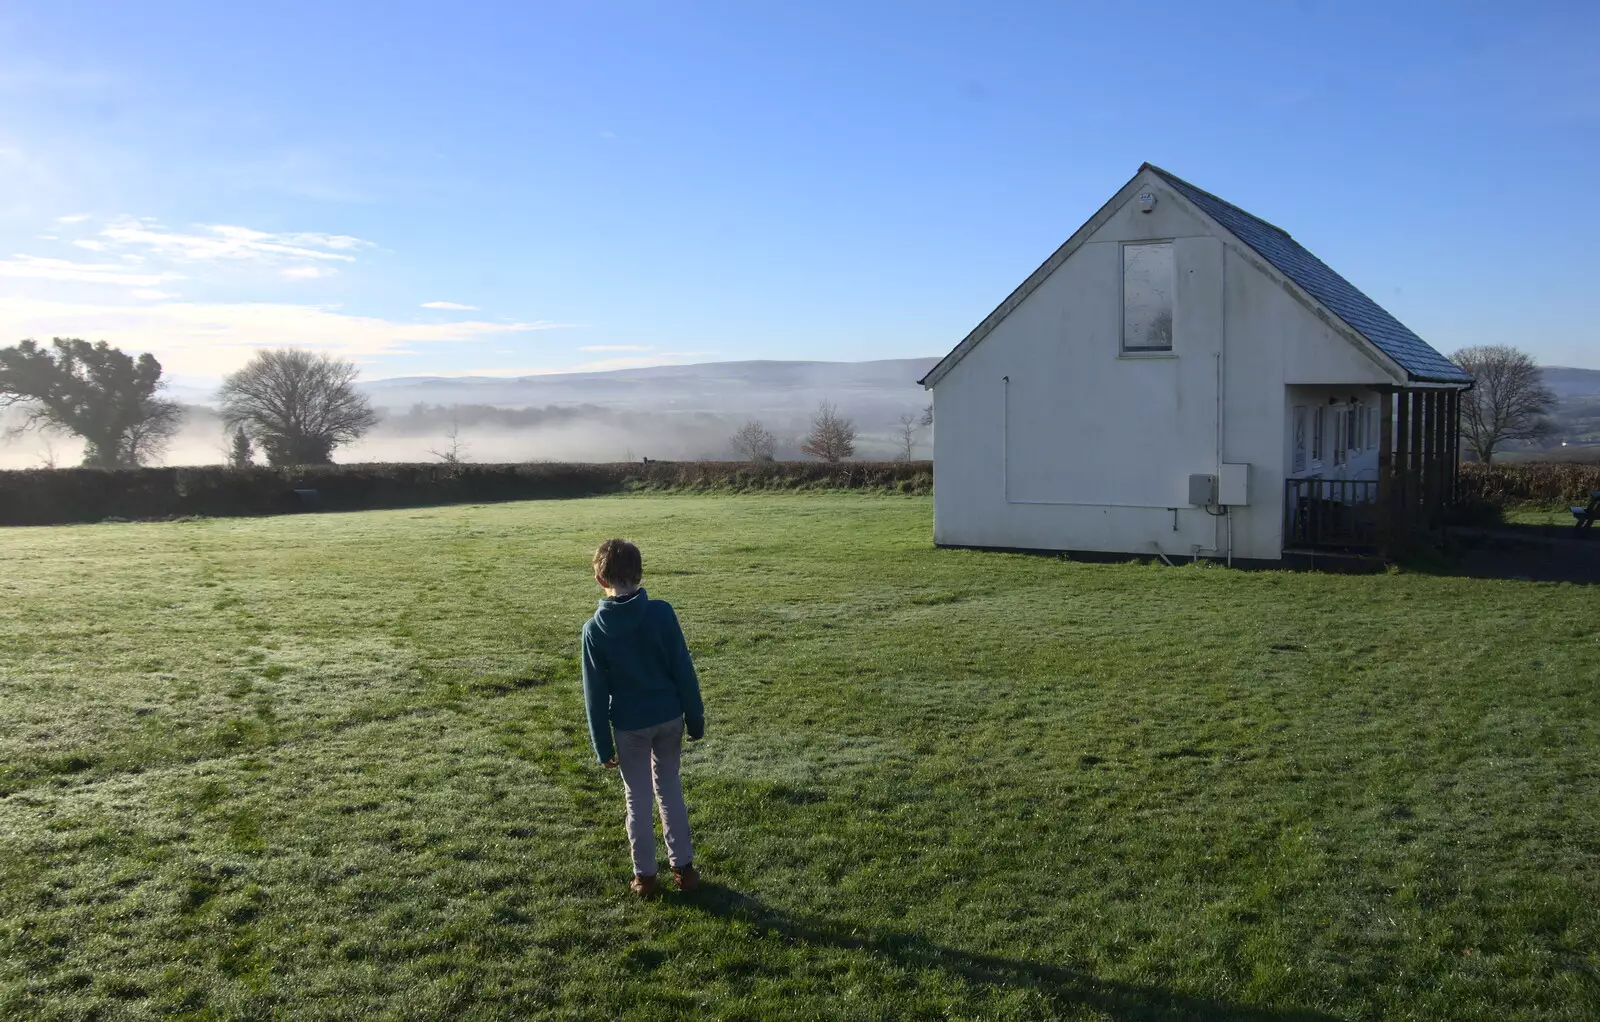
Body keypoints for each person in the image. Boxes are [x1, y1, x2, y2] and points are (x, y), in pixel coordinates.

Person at [581, 538, 705, 897]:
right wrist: (694, 718)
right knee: (669, 791)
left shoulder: (594, 630)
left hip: (629, 725)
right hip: (669, 718)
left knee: (637, 797)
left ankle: (645, 878)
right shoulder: (662, 613)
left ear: (601, 580)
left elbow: (595, 694)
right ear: (639, 572)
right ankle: (684, 870)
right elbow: (684, 670)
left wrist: (602, 745)